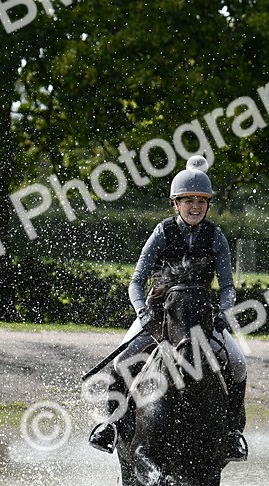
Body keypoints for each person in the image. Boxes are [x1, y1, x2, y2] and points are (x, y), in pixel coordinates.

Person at [88, 155, 248, 461]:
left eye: (201, 201)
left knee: (238, 363)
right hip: (158, 314)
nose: (195, 206)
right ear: (176, 203)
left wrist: (224, 312)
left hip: (201, 317)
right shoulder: (163, 232)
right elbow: (136, 281)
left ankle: (232, 435)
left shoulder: (216, 237)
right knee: (121, 362)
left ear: (208, 204)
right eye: (188, 200)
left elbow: (228, 287)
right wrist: (143, 313)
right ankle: (111, 427)